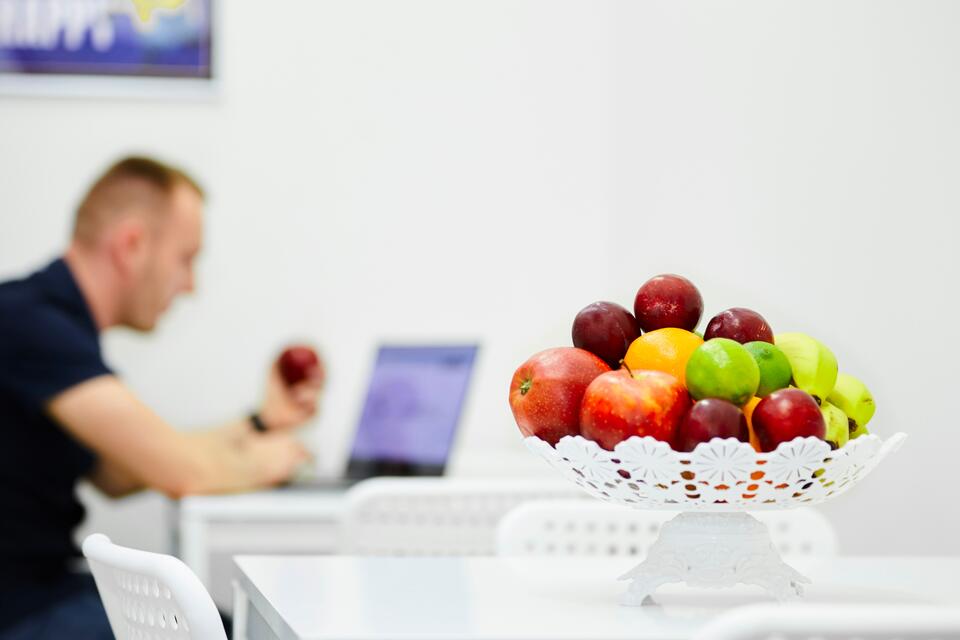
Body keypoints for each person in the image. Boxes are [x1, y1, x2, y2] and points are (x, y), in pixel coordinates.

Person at [0, 156, 323, 638]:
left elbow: (121, 471)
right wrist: (276, 461)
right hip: (22, 611)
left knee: (247, 628)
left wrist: (258, 422)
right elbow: (180, 471)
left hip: (40, 595)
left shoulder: (48, 326)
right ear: (131, 245)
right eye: (186, 258)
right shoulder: (30, 324)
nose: (190, 286)